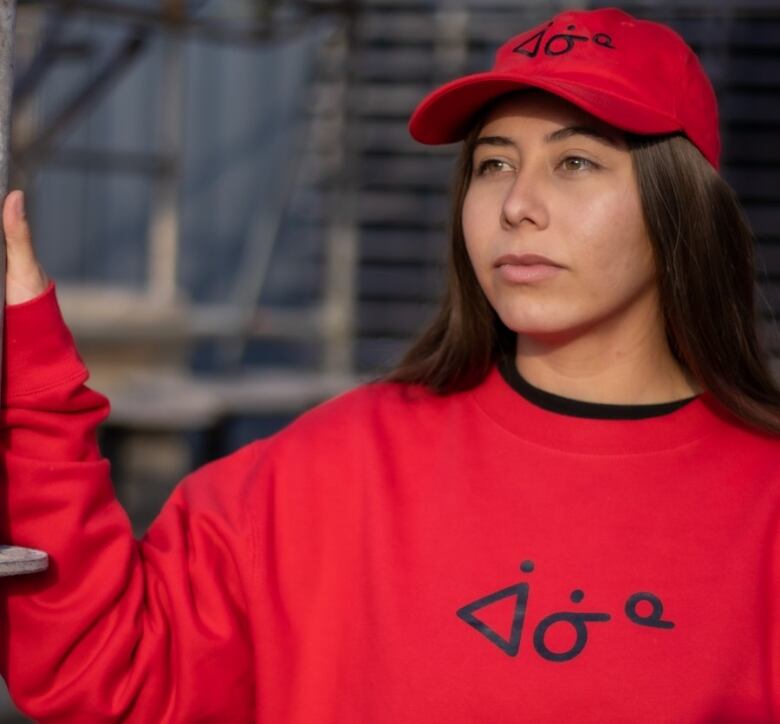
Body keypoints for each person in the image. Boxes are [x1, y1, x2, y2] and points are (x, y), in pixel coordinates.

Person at [0, 6, 778, 723]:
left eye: (575, 162)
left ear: (681, 204)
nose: (517, 205)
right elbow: (105, 668)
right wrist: (34, 376)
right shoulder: (330, 467)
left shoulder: (762, 504)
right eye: (494, 164)